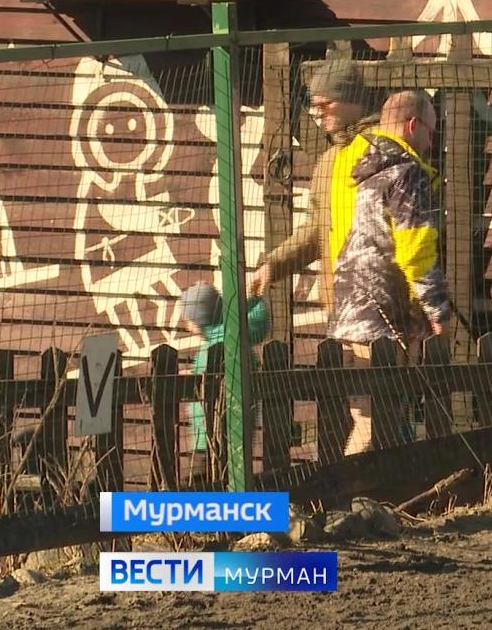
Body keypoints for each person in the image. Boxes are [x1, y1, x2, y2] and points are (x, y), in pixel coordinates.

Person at [330, 91, 454, 452]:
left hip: (352, 307)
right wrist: (437, 309)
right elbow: (415, 250)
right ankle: (340, 500)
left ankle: (368, 499)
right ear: (413, 126)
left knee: (372, 418)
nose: (432, 142)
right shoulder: (406, 173)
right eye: (431, 132)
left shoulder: (360, 168)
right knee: (375, 422)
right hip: (384, 312)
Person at [248, 60, 379, 306]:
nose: (318, 111)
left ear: (352, 100)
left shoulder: (383, 152)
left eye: (326, 103)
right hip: (341, 303)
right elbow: (317, 228)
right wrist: (274, 264)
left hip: (380, 303)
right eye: (314, 104)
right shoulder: (330, 161)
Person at [180, 283, 270, 478]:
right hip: (239, 437)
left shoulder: (211, 351)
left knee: (199, 489)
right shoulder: (238, 339)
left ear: (197, 321)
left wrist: (190, 382)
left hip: (208, 439)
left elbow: (210, 384)